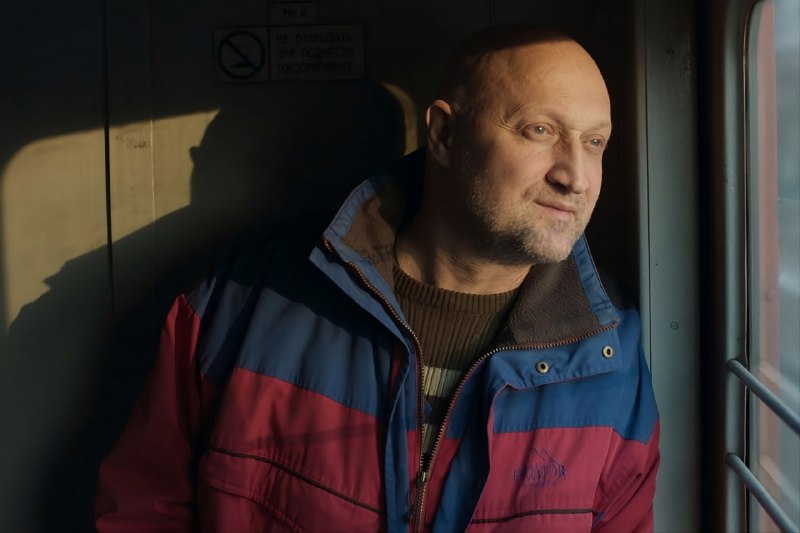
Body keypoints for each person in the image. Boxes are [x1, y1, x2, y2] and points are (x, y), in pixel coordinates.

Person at [95, 25, 659, 532]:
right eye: (539, 130)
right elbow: (143, 507)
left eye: (594, 142)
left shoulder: (609, 352)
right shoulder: (244, 301)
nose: (576, 176)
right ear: (444, 135)